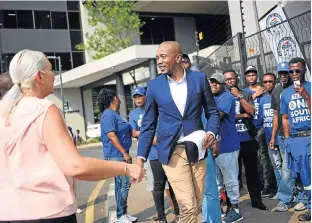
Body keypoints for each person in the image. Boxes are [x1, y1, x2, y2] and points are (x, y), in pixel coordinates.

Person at [0, 49, 143, 222]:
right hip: (47, 212)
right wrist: (126, 168)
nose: (54, 75)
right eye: (51, 69)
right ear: (39, 76)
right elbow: (75, 166)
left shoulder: (5, 112)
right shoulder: (43, 109)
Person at [137, 41, 220, 222]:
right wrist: (140, 158)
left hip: (198, 148)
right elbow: (148, 124)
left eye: (163, 57)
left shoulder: (198, 79)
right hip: (171, 151)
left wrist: (211, 133)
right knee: (187, 205)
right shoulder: (154, 86)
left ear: (177, 58)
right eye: (157, 57)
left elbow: (212, 112)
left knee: (196, 203)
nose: (159, 61)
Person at [129, 86, 179, 223]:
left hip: (168, 151)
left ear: (146, 96)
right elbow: (133, 133)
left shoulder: (157, 109)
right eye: (135, 97)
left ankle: (178, 213)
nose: (138, 99)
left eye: (140, 96)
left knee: (173, 183)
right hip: (152, 154)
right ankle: (162, 217)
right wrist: (150, 137)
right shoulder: (133, 114)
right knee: (158, 185)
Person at [223, 69, 268, 211]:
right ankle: (231, 205)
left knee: (252, 172)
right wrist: (241, 114)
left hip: (247, 138)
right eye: (227, 79)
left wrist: (240, 96)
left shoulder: (246, 94)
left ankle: (256, 201)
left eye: (232, 78)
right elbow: (226, 116)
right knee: (232, 175)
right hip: (231, 141)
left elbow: (252, 112)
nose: (230, 81)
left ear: (236, 78)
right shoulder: (222, 96)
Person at [98, 88, 139, 223]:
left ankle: (122, 214)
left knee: (120, 185)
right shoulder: (109, 115)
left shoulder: (114, 114)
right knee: (124, 184)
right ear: (114, 98)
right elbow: (111, 135)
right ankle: (121, 216)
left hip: (118, 155)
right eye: (118, 96)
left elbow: (130, 132)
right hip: (116, 155)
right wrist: (125, 153)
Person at [208, 73, 243, 223]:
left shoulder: (227, 97)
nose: (214, 85)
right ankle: (221, 210)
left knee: (230, 182)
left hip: (228, 145)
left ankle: (235, 210)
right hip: (212, 147)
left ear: (223, 84)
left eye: (217, 83)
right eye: (212, 82)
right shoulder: (210, 98)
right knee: (216, 183)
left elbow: (217, 116)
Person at [280, 57, 311, 221]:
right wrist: (287, 139)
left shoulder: (311, 88)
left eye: (297, 70)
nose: (293, 74)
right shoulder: (285, 94)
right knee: (305, 178)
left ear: (304, 70)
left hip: (311, 136)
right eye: (291, 71)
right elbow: (285, 117)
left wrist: (306, 96)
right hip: (296, 140)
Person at [269, 62, 298, 212]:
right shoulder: (276, 90)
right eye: (280, 74)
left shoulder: (298, 88)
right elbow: (275, 116)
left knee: (299, 168)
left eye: (285, 73)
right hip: (282, 136)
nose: (282, 76)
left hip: (299, 135)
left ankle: (300, 197)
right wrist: (273, 136)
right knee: (286, 168)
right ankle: (286, 199)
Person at [243, 66, 275, 196]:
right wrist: (253, 96)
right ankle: (259, 182)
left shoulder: (263, 89)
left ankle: (268, 184)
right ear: (245, 77)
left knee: (264, 156)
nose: (251, 77)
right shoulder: (244, 91)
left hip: (261, 126)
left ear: (257, 76)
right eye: (248, 75)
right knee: (253, 158)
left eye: (253, 75)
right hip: (248, 127)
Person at [258, 73, 281, 199]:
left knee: (285, 167)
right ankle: (281, 190)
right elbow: (260, 119)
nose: (268, 84)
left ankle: (290, 192)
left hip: (280, 137)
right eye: (265, 82)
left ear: (275, 82)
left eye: (270, 81)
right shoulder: (261, 100)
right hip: (268, 138)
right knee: (276, 166)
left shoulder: (279, 95)